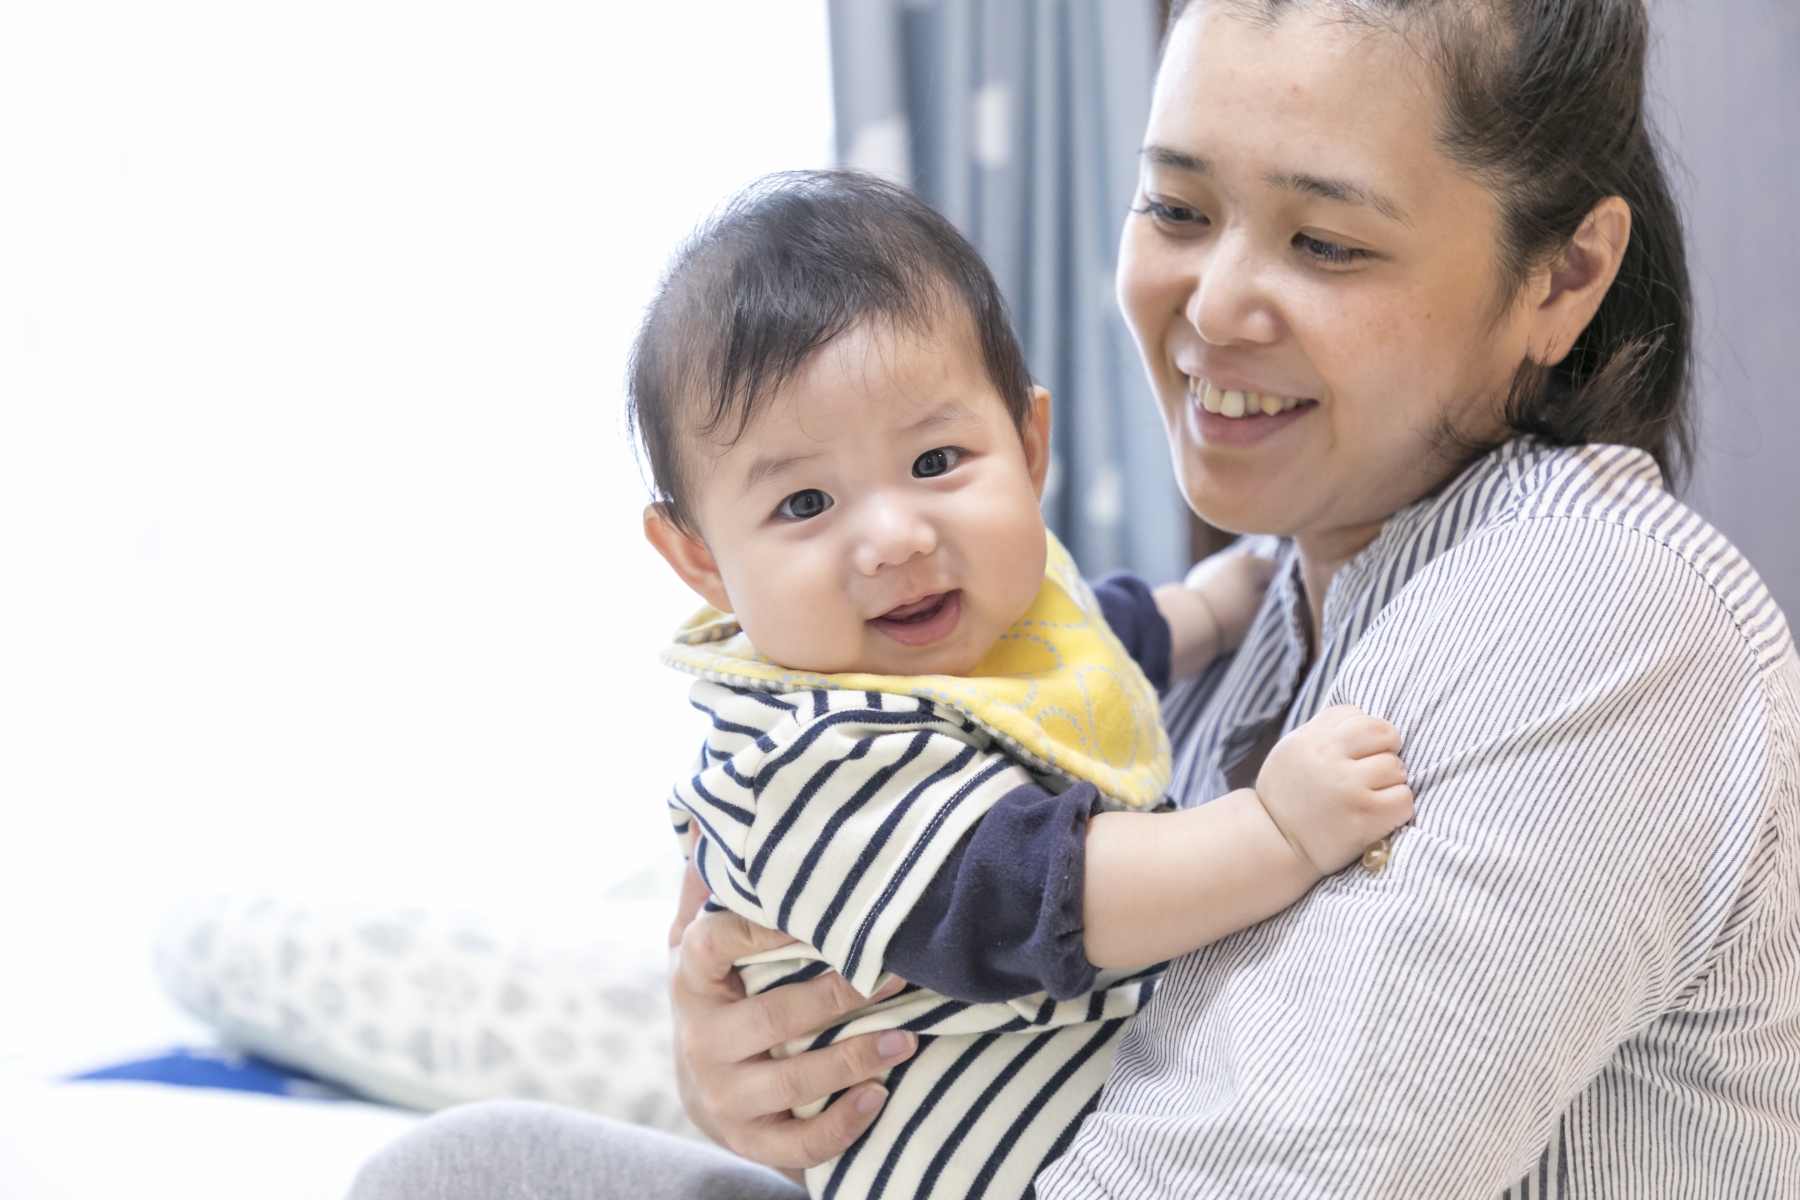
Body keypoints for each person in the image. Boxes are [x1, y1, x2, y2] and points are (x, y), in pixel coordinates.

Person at [349, 0, 1800, 1197]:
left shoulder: (1592, 613)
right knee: (465, 1169)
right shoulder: (1276, 611)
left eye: (1327, 242)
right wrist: (769, 1057)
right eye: (1176, 205)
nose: (1212, 305)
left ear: (1565, 277)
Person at [630, 171, 1411, 1200]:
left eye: (936, 460)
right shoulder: (798, 759)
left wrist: (1212, 610)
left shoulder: (987, 611)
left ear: (1030, 447)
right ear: (700, 558)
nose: (895, 537)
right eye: (806, 503)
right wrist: (1276, 832)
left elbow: (1090, 645)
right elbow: (1041, 892)